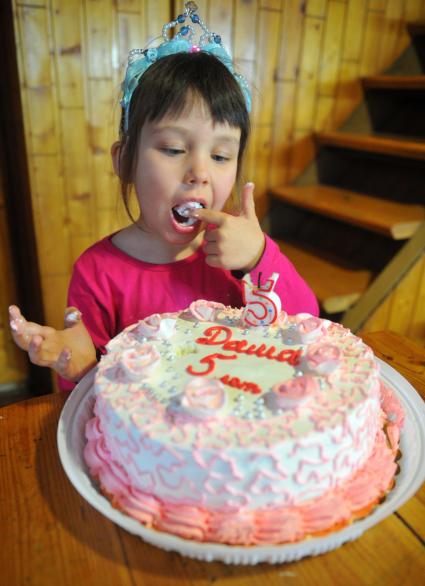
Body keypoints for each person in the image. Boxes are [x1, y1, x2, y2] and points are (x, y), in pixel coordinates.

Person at [9, 2, 318, 390]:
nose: (200, 173)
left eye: (221, 156)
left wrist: (259, 257)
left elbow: (309, 323)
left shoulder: (242, 260)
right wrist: (78, 363)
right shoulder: (98, 274)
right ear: (125, 161)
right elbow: (93, 391)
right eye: (173, 149)